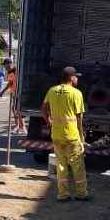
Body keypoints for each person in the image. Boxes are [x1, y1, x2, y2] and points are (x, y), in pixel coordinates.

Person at [42, 66, 90, 202]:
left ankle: (63, 195)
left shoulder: (52, 90)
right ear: (71, 78)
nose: (77, 79)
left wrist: (49, 121)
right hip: (72, 136)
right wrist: (82, 137)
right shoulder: (76, 93)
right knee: (77, 165)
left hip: (57, 135)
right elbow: (79, 118)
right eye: (76, 76)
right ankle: (81, 193)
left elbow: (43, 108)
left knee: (61, 166)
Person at [0, 58, 26, 134]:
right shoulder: (13, 71)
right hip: (15, 92)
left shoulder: (13, 71)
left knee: (17, 109)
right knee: (15, 109)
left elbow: (10, 83)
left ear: (9, 64)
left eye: (5, 65)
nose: (4, 67)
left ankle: (21, 126)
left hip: (17, 92)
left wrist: (2, 92)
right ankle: (18, 126)